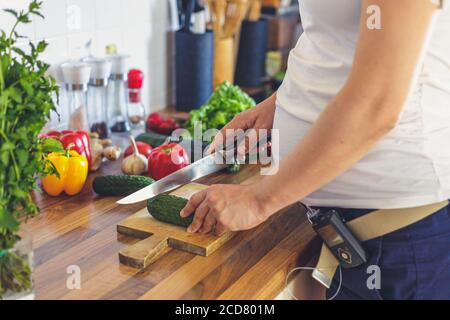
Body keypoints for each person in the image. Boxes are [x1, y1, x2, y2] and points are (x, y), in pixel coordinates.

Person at [180, 0, 450, 299]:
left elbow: (378, 104)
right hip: (357, 236)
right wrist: (284, 100)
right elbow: (334, 38)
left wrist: (259, 201)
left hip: (402, 240)